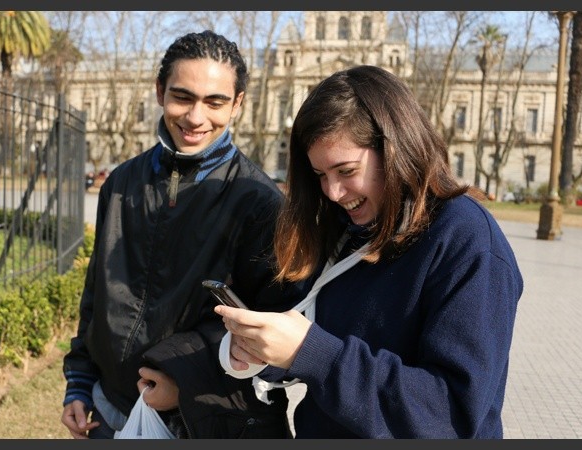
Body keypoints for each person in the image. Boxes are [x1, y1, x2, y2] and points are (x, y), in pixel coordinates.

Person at [215, 65, 524, 439]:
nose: (332, 192)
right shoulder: (351, 226)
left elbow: (452, 415)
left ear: (396, 147)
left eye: (346, 170)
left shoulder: (468, 241)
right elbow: (319, 336)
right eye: (320, 175)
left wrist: (312, 353)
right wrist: (263, 353)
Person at [61, 30, 300, 439]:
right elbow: (95, 296)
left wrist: (187, 384)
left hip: (190, 422)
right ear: (159, 91)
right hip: (105, 408)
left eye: (215, 102)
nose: (195, 117)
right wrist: (79, 382)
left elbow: (271, 342)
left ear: (238, 103)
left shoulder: (261, 203)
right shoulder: (120, 183)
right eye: (183, 97)